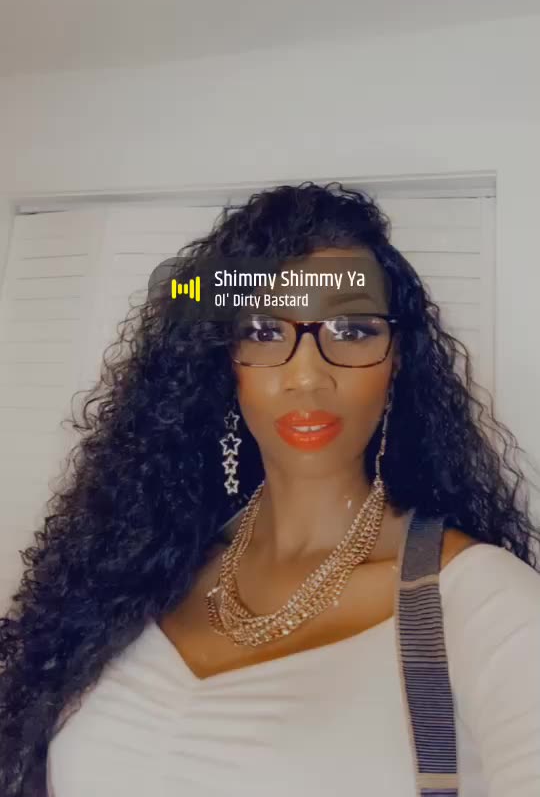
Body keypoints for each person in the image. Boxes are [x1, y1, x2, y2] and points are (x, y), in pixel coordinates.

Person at [1, 181, 539, 797]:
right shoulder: (138, 569)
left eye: (352, 329)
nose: (307, 375)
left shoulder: (481, 604)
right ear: (221, 360)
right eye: (262, 329)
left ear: (399, 361)